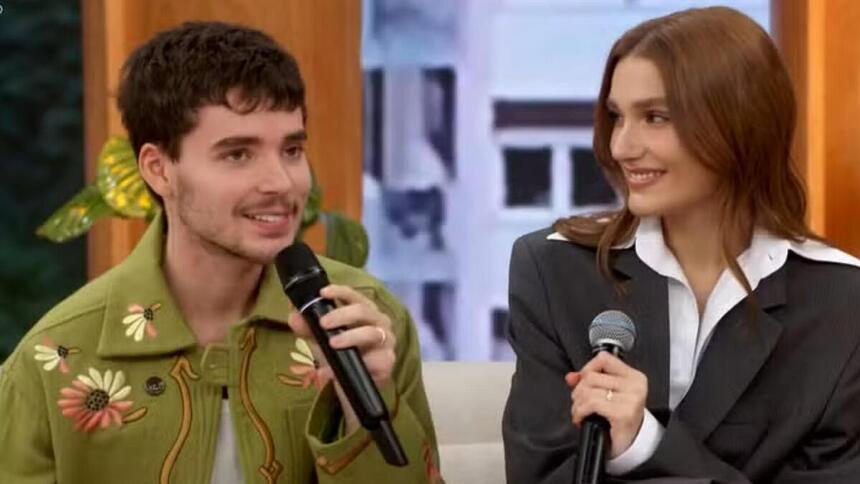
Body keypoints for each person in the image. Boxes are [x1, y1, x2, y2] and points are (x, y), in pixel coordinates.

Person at [0, 21, 441, 484]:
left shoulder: (363, 318)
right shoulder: (54, 358)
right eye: (237, 154)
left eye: (291, 150)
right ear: (158, 170)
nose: (281, 182)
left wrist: (361, 407)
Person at [503, 6, 860, 483]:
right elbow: (538, 475)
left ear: (741, 123)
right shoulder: (552, 269)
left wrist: (645, 444)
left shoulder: (842, 303)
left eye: (655, 117)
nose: (622, 147)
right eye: (617, 117)